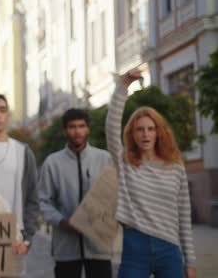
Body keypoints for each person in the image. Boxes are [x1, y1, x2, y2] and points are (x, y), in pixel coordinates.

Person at [106, 69, 196, 278]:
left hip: (169, 249)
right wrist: (123, 86)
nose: (145, 134)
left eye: (150, 128)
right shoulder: (126, 163)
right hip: (135, 247)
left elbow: (183, 216)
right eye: (139, 129)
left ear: (158, 132)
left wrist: (190, 261)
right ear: (132, 134)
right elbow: (111, 127)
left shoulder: (175, 167)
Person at [39, 109, 113, 278]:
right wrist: (62, 221)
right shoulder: (53, 163)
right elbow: (43, 201)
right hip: (65, 247)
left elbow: (112, 196)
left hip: (98, 245)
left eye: (81, 126)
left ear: (88, 129)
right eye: (72, 127)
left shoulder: (104, 159)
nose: (77, 131)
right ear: (65, 130)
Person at [0, 94, 40, 275]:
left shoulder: (23, 151)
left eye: (2, 110)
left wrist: (27, 238)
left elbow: (32, 197)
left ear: (8, 116)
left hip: (15, 236)